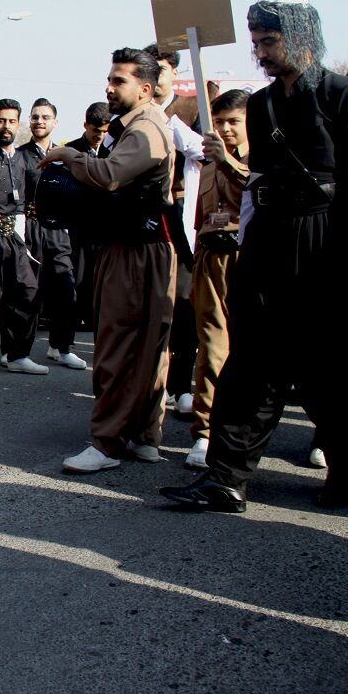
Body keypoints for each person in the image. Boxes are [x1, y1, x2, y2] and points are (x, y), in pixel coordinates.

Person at [162, 0, 348, 511]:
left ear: (301, 38)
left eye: (269, 42)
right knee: (250, 363)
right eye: (255, 43)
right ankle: (225, 479)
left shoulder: (346, 97)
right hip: (267, 243)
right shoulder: (263, 104)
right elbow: (257, 184)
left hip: (326, 243)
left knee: (328, 368)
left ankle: (343, 470)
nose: (261, 53)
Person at [42, 48, 176, 474]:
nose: (109, 87)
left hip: (136, 250)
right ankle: (142, 435)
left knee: (119, 346)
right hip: (139, 246)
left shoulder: (145, 129)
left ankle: (107, 443)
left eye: (119, 81)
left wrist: (69, 157)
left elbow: (109, 175)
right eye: (111, 79)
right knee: (145, 348)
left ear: (145, 88)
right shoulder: (138, 124)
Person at [182, 88, 250, 471]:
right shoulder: (208, 162)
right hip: (211, 257)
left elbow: (255, 194)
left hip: (248, 260)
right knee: (211, 347)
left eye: (234, 122)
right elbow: (200, 216)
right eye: (219, 122)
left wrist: (229, 163)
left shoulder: (258, 161)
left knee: (251, 351)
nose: (225, 130)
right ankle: (205, 431)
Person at [146, 43, 204, 418]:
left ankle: (182, 382)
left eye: (162, 69)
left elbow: (206, 152)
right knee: (153, 301)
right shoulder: (139, 110)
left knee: (184, 301)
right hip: (147, 215)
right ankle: (152, 383)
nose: (156, 76)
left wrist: (175, 129)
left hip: (182, 211)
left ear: (174, 73)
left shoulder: (193, 109)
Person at [0, 99, 46, 375]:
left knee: (27, 290)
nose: (6, 127)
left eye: (12, 121)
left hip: (15, 235)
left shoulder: (23, 159)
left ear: (18, 124)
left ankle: (16, 354)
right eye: (1, 121)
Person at [16, 98, 86, 370]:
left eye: (45, 117)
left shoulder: (64, 156)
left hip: (59, 230)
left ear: (55, 122)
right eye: (35, 117)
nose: (39, 121)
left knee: (66, 288)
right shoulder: (20, 156)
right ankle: (19, 352)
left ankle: (61, 347)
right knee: (29, 292)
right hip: (31, 227)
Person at [64, 102, 110, 330]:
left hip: (104, 231)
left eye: (104, 131)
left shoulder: (114, 153)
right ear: (86, 126)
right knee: (79, 281)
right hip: (78, 230)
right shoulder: (71, 151)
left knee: (101, 282)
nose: (99, 136)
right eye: (96, 131)